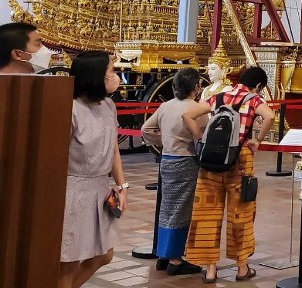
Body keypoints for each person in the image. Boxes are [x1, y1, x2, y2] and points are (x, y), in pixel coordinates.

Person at [182, 66, 275, 283]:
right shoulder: (253, 99)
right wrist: (257, 140)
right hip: (240, 160)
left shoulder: (219, 97)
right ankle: (241, 268)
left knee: (207, 213)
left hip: (211, 160)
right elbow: (270, 116)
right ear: (258, 86)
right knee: (240, 213)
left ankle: (210, 269)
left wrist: (200, 136)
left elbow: (187, 115)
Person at [59, 51, 127, 288]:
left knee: (103, 254)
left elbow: (113, 149)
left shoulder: (108, 105)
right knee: (69, 261)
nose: (115, 76)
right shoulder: (72, 108)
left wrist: (122, 185)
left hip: (100, 188)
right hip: (75, 189)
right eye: (111, 71)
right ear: (96, 76)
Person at [141, 68, 205, 276]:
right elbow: (202, 137)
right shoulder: (197, 109)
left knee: (167, 208)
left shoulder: (165, 106)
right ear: (196, 87)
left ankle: (163, 254)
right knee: (181, 210)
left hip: (167, 160)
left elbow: (145, 129)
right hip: (186, 161)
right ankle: (175, 259)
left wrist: (163, 142)